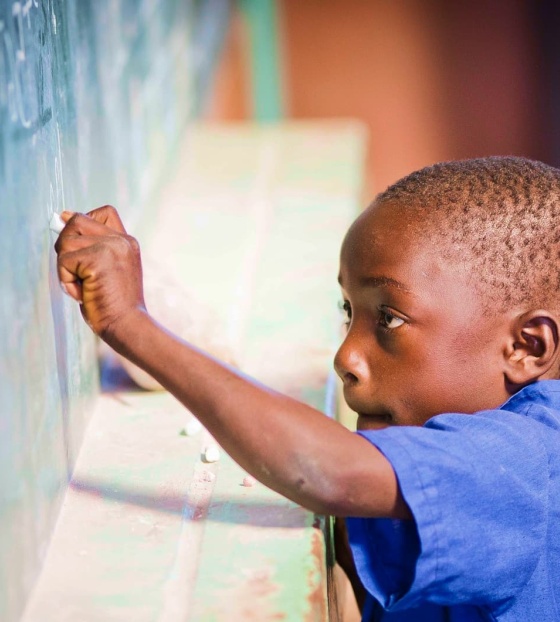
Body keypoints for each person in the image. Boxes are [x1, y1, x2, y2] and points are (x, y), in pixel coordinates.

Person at [54, 156, 560, 621]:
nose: (346, 357)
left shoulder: (530, 465)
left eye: (389, 317)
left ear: (527, 347)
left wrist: (130, 324)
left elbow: (326, 471)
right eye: (348, 311)